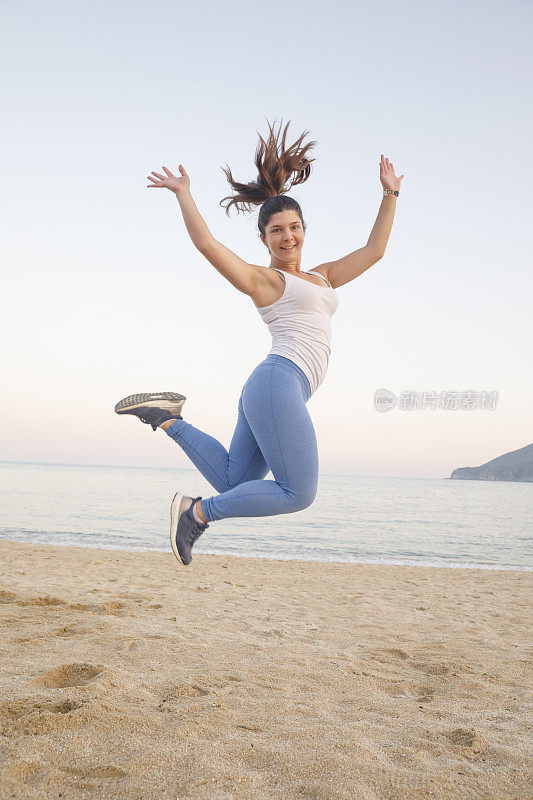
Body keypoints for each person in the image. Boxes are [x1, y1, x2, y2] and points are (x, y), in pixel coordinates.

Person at [115, 118, 403, 566]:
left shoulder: (321, 276)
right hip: (278, 381)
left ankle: (167, 418)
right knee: (299, 491)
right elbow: (209, 246)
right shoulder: (266, 282)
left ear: (304, 229)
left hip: (274, 388)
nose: (287, 237)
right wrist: (184, 195)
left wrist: (390, 193)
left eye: (294, 227)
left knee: (237, 482)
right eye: (276, 231)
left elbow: (375, 250)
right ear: (263, 238)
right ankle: (196, 513)